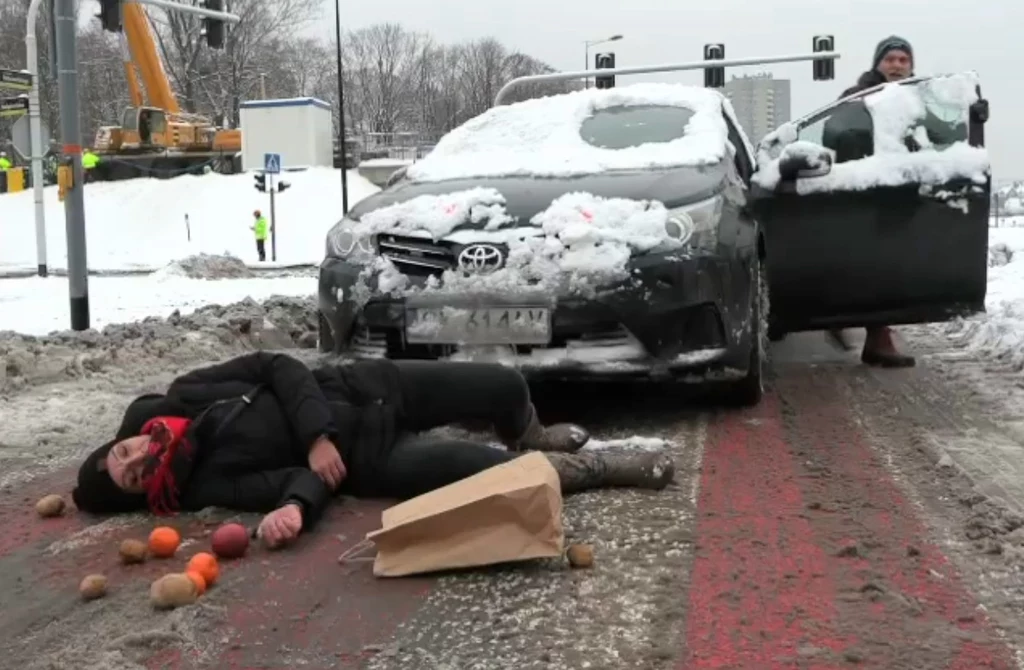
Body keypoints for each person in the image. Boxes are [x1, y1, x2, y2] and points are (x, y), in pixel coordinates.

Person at [72, 352, 675, 548]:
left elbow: (279, 366)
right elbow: (288, 484)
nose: (133, 461)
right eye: (129, 477)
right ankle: (596, 468)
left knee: (502, 383)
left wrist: (313, 436)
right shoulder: (201, 485)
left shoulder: (186, 394)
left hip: (365, 386)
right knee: (491, 473)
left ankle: (533, 430)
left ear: (124, 437)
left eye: (121, 452)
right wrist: (296, 510)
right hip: (370, 461)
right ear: (140, 494)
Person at [822, 35, 917, 368]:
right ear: (878, 64)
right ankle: (858, 327)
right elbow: (833, 134)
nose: (896, 65)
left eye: (903, 60)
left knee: (886, 266)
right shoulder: (857, 96)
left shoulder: (918, 99)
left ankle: (868, 333)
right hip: (861, 192)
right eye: (890, 59)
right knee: (871, 264)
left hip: (898, 195)